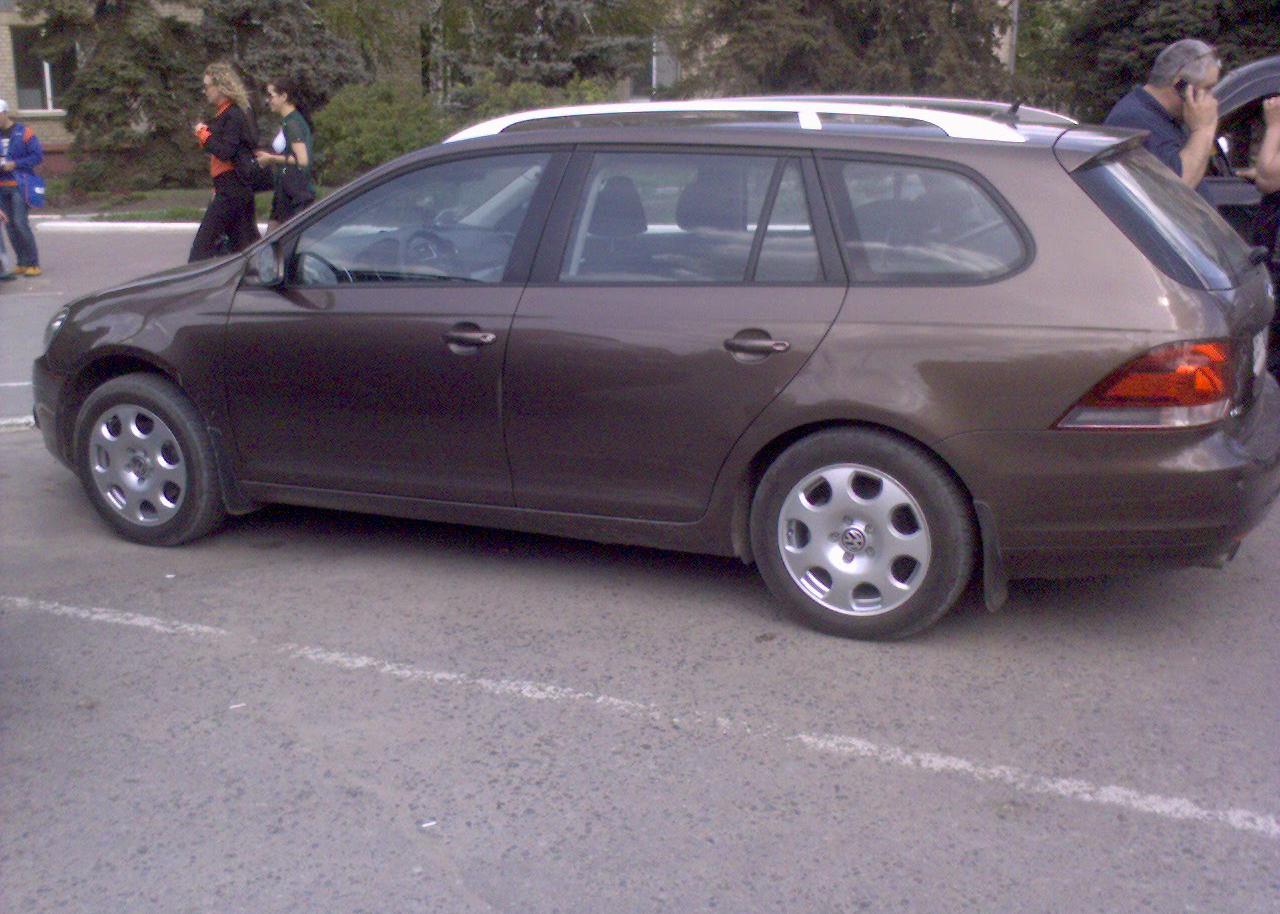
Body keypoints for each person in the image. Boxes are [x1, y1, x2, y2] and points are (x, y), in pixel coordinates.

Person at [1104, 39, 1221, 189]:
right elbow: (1179, 187)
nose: (1211, 99)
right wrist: (1203, 129)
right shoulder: (1136, 120)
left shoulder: (1167, 118)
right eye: (1208, 88)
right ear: (1181, 85)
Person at [189, 62, 260, 262]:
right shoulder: (224, 114)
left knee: (201, 250)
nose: (205, 91)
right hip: (228, 188)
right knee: (245, 248)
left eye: (207, 86)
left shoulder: (234, 115)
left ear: (220, 86)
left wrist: (204, 135)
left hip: (232, 190)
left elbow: (226, 151)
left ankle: (194, 287)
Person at [255, 77, 316, 230]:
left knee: (278, 245)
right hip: (284, 192)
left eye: (271, 96)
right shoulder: (288, 121)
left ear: (284, 97)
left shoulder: (293, 123)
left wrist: (271, 158)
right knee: (271, 245)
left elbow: (302, 160)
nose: (268, 100)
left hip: (294, 195)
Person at [0, 98, 43, 276]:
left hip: (20, 184)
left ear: (4, 113)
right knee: (9, 226)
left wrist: (15, 164)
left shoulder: (24, 132)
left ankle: (33, 263)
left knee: (20, 222)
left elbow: (37, 157)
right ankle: (22, 262)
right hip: (2, 186)